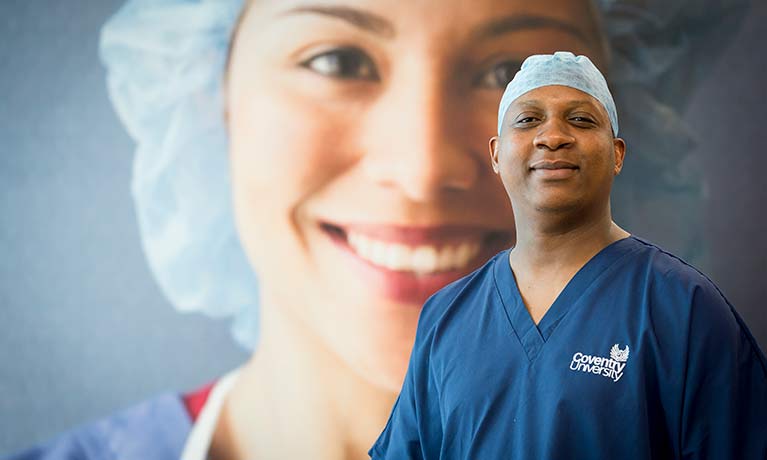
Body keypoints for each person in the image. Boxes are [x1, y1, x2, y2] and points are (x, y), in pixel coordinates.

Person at [5, 0, 750, 459]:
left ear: (622, 140)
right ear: (210, 101)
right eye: (337, 59)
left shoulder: (682, 323)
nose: (423, 169)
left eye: (505, 72)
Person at [369, 51, 767, 459]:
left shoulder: (684, 308)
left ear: (617, 154)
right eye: (527, 120)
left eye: (580, 119)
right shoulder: (446, 317)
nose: (552, 136)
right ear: (496, 154)